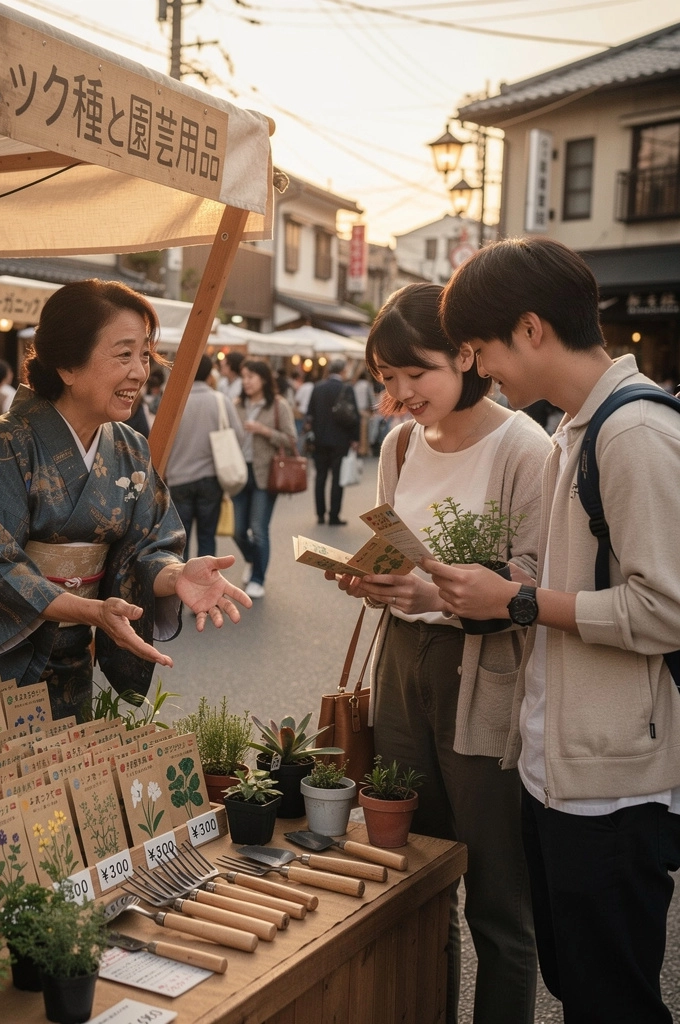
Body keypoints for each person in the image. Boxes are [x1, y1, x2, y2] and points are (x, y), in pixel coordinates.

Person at [430, 237, 680, 1024]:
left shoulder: (633, 433)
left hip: (614, 781)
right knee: (581, 984)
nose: (480, 368)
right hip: (564, 766)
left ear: (531, 329)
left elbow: (666, 608)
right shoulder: (578, 424)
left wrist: (522, 602)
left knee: (614, 998)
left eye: (481, 348)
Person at [331, 283, 548, 1024]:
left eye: (413, 373)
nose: (398, 393)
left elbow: (535, 586)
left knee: (496, 898)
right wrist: (374, 581)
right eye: (385, 377)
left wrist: (439, 600)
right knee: (414, 880)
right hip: (401, 673)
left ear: (464, 354)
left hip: (485, 681)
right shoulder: (398, 444)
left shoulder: (525, 446)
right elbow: (398, 551)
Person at [0, 280, 251, 722]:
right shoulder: (3, 442)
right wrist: (91, 610)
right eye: (124, 354)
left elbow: (148, 544)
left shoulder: (129, 447)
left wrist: (175, 575)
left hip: (69, 644)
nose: (140, 371)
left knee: (60, 777)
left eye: (145, 355)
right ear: (67, 366)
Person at [165, 354, 245, 559]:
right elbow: (239, 436)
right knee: (207, 536)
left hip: (178, 478)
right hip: (211, 479)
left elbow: (162, 440)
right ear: (210, 373)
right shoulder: (220, 401)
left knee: (179, 540)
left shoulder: (173, 400)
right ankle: (206, 583)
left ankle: (179, 583)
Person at [231, 358, 297, 599]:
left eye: (251, 376)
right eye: (243, 376)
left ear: (263, 379)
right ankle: (252, 558)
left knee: (258, 528)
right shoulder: (236, 404)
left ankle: (258, 577)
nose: (246, 381)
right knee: (237, 530)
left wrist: (265, 431)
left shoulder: (278, 406)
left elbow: (291, 441)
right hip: (238, 473)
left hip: (265, 475)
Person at [306, 358, 357, 525]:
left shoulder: (318, 387)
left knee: (320, 477)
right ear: (342, 371)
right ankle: (333, 515)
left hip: (320, 439)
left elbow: (310, 413)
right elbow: (353, 415)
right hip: (340, 439)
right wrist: (354, 439)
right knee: (337, 478)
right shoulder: (347, 388)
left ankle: (320, 514)